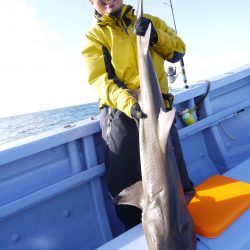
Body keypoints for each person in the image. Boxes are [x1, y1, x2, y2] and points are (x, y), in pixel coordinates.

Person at [82, 0, 194, 230]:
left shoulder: (152, 21)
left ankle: (183, 217)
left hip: (156, 107)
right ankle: (135, 228)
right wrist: (130, 104)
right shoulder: (95, 35)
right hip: (121, 110)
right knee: (126, 183)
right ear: (90, 2)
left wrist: (155, 37)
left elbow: (178, 50)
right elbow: (100, 80)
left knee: (174, 172)